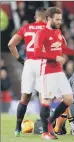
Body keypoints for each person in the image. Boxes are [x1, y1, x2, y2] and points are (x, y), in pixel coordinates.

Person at [34, 7, 74, 140]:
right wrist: (55, 57)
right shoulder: (42, 33)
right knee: (46, 100)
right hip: (47, 71)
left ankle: (50, 121)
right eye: (57, 19)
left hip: (59, 71)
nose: (59, 21)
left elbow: (62, 48)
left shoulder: (58, 32)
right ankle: (45, 132)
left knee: (69, 99)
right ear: (48, 18)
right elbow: (37, 52)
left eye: (60, 19)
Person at [8, 7, 47, 137]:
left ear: (35, 17)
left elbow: (10, 44)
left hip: (29, 64)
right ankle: (45, 130)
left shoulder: (26, 28)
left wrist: (20, 60)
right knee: (43, 97)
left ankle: (18, 129)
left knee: (24, 98)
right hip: (42, 63)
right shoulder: (49, 29)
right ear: (46, 17)